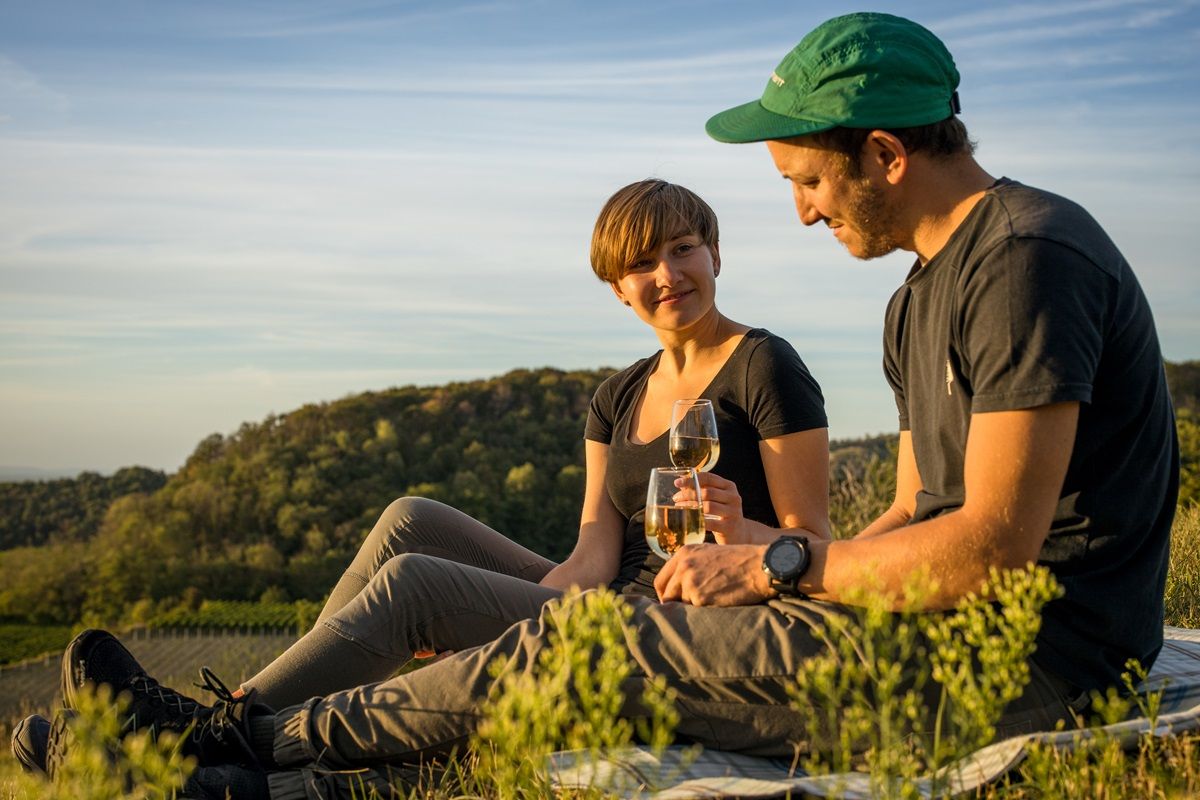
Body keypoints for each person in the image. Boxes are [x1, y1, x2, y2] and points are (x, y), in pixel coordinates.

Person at [24, 13, 1179, 799]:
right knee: (561, 618)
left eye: (808, 183)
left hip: (1027, 665)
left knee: (573, 647)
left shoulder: (1029, 259)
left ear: (884, 152)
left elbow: (989, 550)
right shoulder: (921, 294)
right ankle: (222, 743)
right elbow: (925, 504)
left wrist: (777, 564)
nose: (804, 216)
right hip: (932, 626)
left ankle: (228, 750)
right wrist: (784, 561)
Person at [13, 180, 830, 791]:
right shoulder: (617, 395)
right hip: (598, 602)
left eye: (682, 249)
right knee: (411, 522)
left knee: (415, 585)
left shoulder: (765, 366)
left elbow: (809, 552)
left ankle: (205, 736)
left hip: (684, 631)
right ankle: (226, 725)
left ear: (716, 253)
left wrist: (740, 536)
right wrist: (489, 619)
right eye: (640, 262)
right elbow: (589, 557)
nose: (667, 273)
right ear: (617, 287)